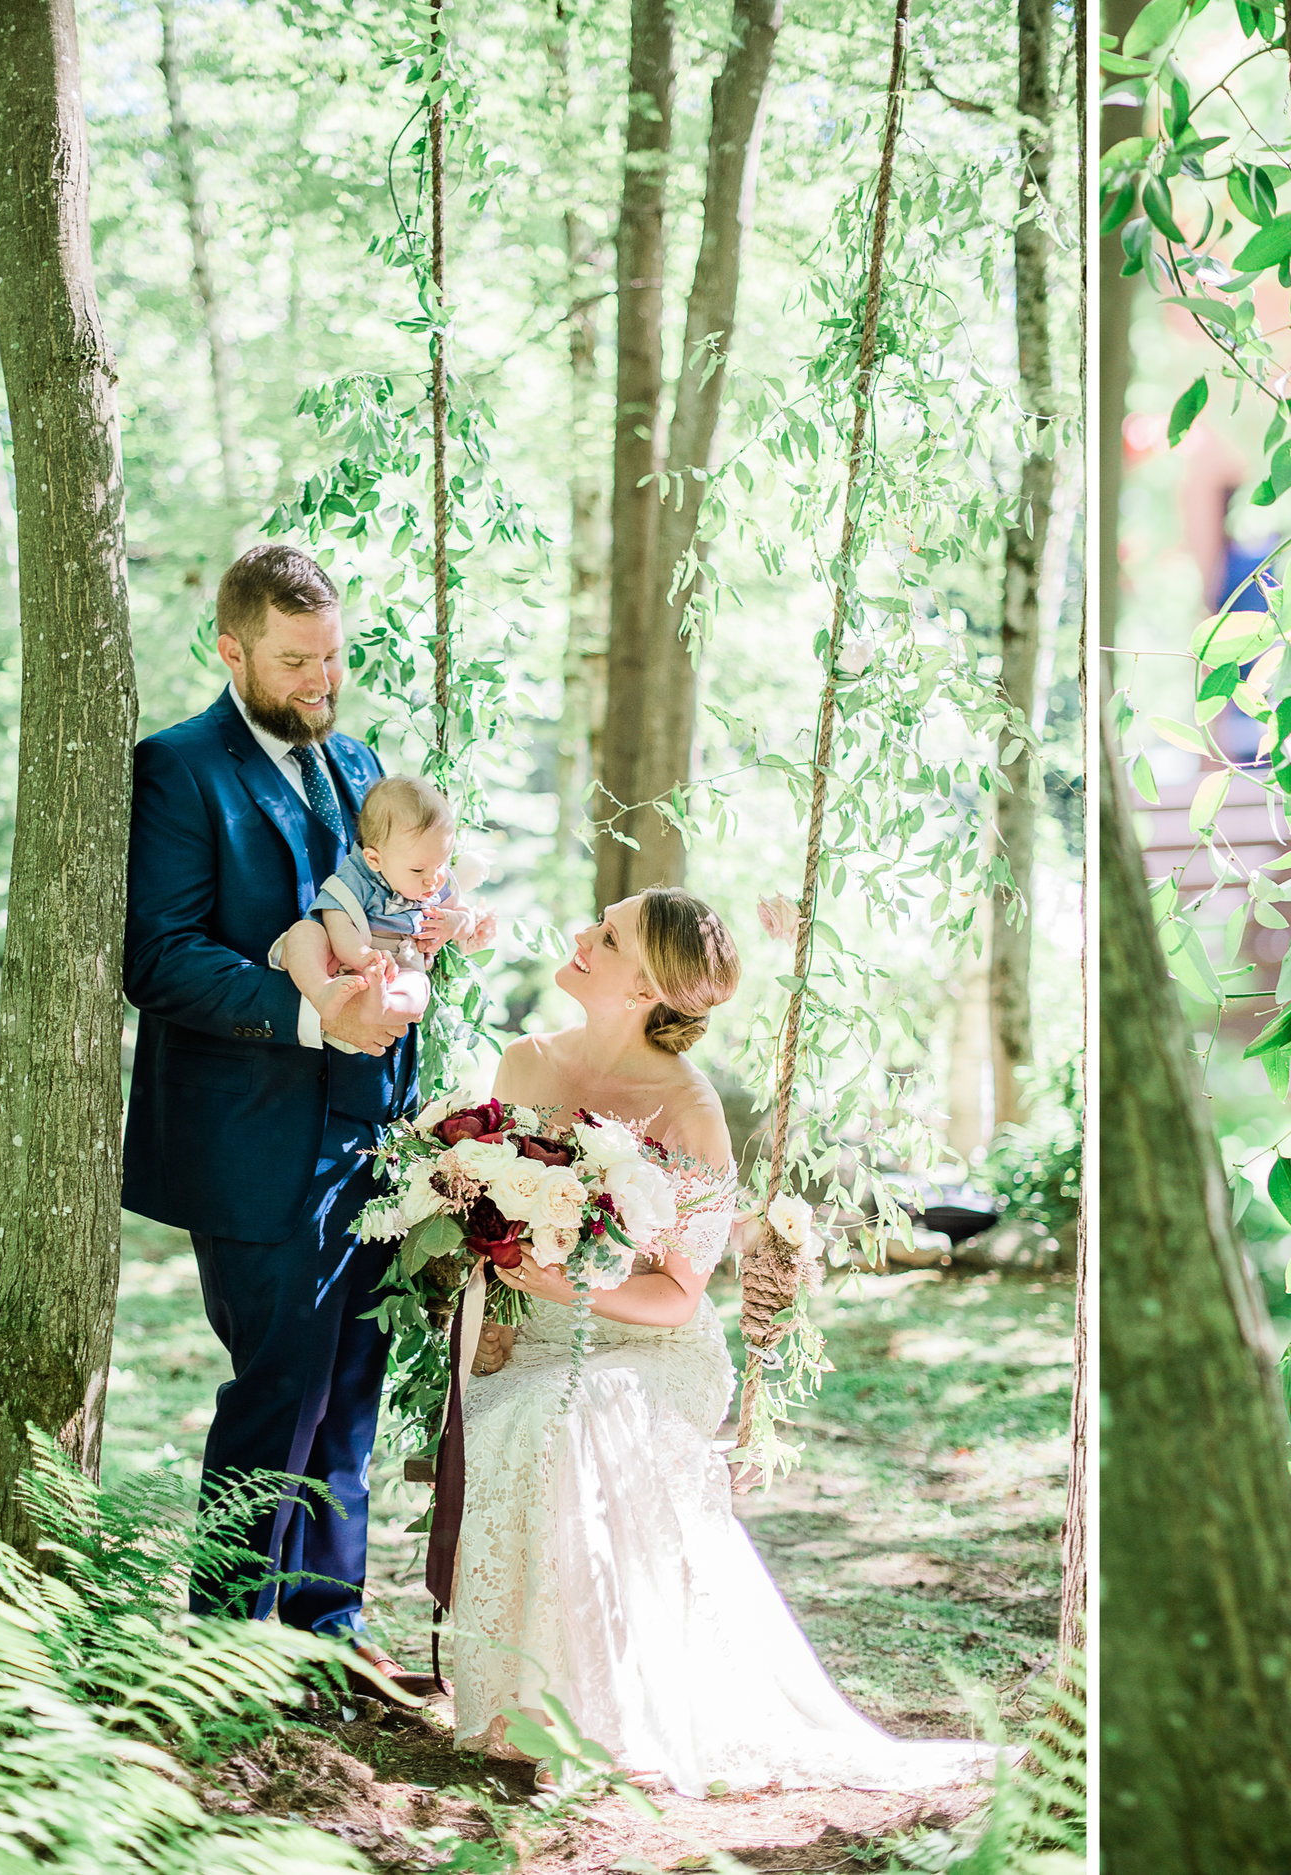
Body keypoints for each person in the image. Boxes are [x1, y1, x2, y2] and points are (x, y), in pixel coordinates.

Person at [447, 887, 997, 1795]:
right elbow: (499, 1219)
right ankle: (530, 1702)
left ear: (649, 985)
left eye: (609, 935)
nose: (584, 934)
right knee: (539, 1404)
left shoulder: (688, 1114)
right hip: (527, 1335)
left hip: (647, 1351)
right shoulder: (523, 1064)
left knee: (578, 1412)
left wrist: (570, 1280)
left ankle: (601, 1715)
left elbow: (673, 1296)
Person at [121, 543, 485, 1690]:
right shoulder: (178, 770)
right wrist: (314, 1017)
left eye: (331, 654)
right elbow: (164, 957)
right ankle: (229, 1651)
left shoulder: (362, 760)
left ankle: (325, 1635)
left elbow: (381, 905)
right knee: (277, 1385)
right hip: (254, 1136)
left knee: (354, 1387)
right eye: (295, 661)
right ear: (231, 650)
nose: (322, 679)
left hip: (373, 1136)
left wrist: (420, 946)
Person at [276, 774, 482, 1045]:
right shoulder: (357, 877)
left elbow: (465, 915)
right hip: (342, 959)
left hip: (398, 969)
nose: (434, 879)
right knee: (303, 933)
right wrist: (362, 957)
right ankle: (320, 990)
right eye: (418, 869)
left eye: (442, 863)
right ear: (375, 859)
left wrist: (455, 923)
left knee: (419, 987)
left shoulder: (437, 879)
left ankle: (386, 1004)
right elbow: (336, 918)